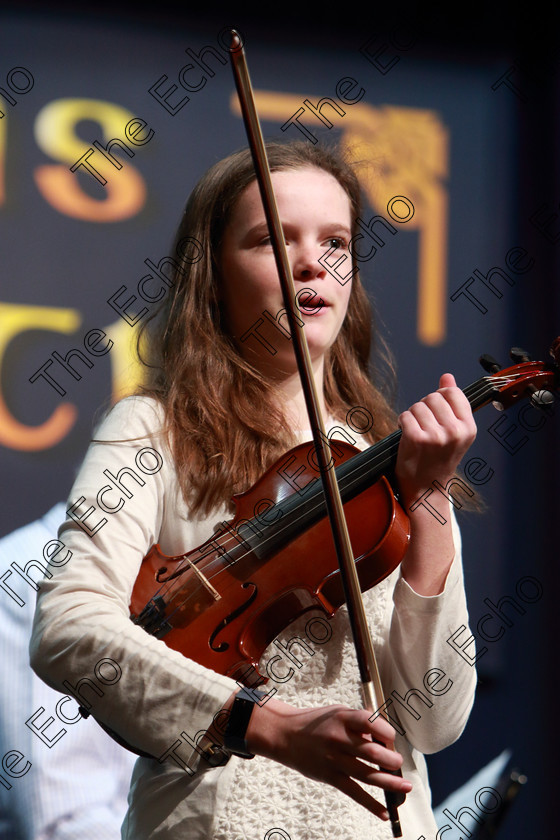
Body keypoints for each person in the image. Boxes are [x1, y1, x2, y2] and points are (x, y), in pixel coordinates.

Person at [30, 141, 478, 840]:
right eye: (273, 239)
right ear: (214, 276)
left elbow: (433, 721)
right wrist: (265, 726)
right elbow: (69, 628)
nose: (312, 264)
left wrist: (431, 503)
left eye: (335, 242)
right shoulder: (152, 429)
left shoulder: (388, 465)